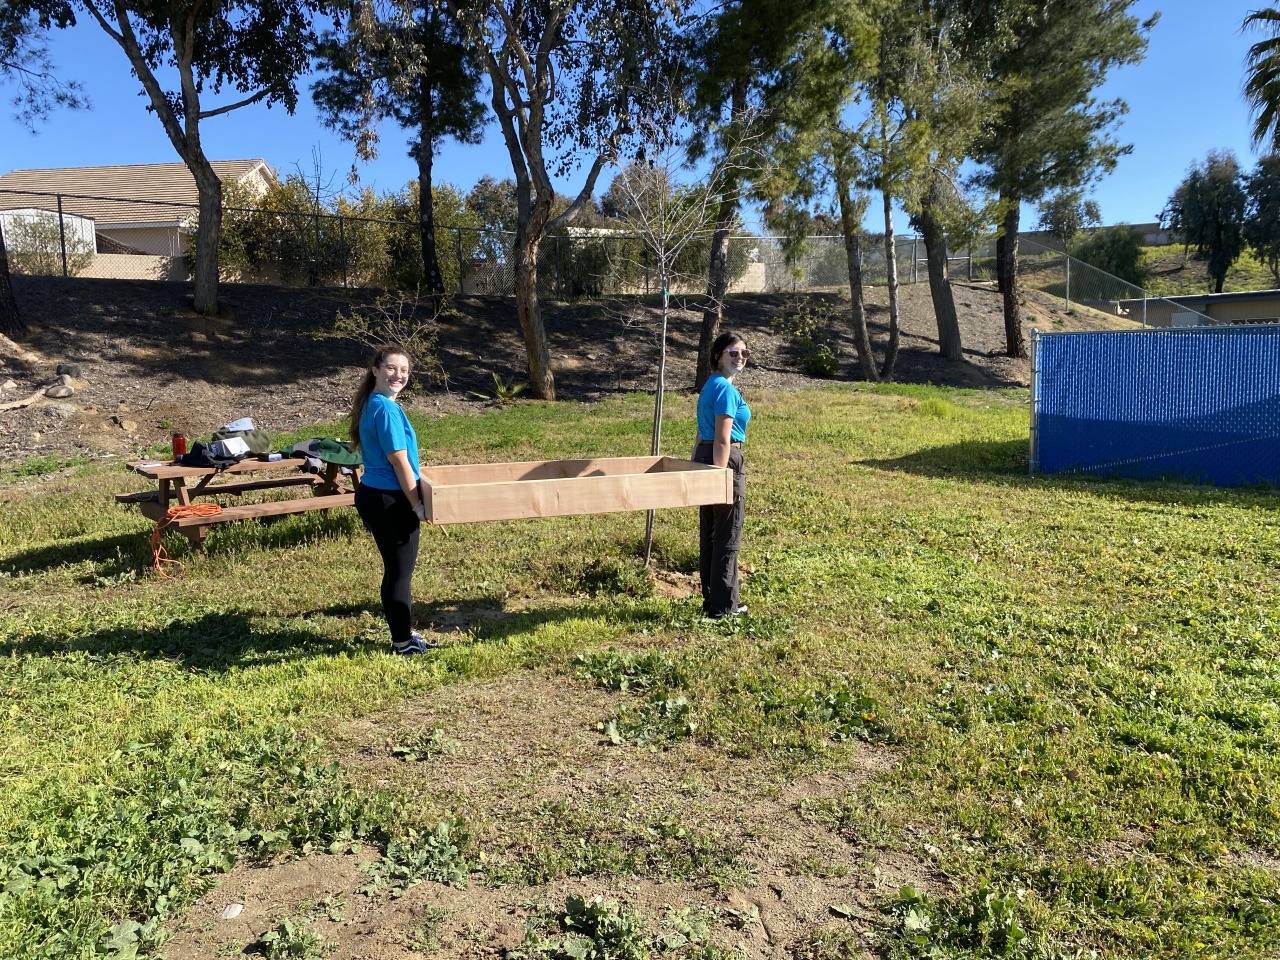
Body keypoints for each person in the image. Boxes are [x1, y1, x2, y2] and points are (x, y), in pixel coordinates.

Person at [350, 344, 432, 655]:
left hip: (374, 494)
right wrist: (418, 504)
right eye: (391, 368)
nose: (398, 375)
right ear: (375, 370)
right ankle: (402, 643)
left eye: (404, 370)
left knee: (396, 570)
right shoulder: (384, 408)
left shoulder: (374, 402)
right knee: (399, 573)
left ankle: (404, 633)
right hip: (389, 500)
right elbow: (399, 461)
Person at [693, 331, 751, 618]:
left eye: (743, 353)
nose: (739, 357)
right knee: (728, 534)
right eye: (733, 352)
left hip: (704, 457)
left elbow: (700, 434)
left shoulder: (710, 385)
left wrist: (698, 464)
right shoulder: (726, 390)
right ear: (718, 356)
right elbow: (722, 438)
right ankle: (724, 607)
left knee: (711, 533)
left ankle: (713, 600)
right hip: (724, 460)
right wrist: (719, 474)